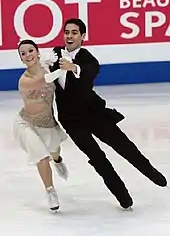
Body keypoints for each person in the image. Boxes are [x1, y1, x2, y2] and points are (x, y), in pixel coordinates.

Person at [48, 18, 167, 209]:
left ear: (82, 36)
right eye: (67, 32)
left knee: (124, 146)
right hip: (71, 120)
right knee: (97, 158)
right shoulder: (54, 54)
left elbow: (89, 72)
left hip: (94, 113)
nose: (69, 36)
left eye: (74, 32)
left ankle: (150, 172)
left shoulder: (89, 60)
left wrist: (73, 67)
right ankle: (122, 195)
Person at [13, 39, 68, 213]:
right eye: (23, 53)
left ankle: (58, 161)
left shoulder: (47, 66)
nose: (28, 55)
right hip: (26, 124)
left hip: (47, 123)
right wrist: (64, 68)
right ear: (21, 59)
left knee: (54, 152)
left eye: (30, 51)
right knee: (42, 157)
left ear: (37, 52)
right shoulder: (24, 81)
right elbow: (45, 80)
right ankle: (50, 191)